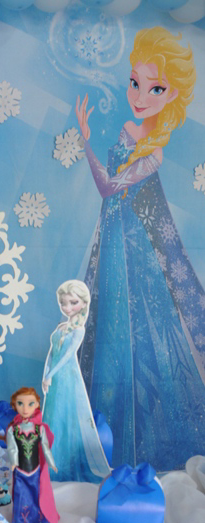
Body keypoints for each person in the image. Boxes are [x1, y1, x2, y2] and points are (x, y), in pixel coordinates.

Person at [76, 26, 205, 471]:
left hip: (132, 246)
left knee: (137, 332)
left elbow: (108, 188)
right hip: (112, 239)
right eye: (135, 82)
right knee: (108, 328)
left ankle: (135, 440)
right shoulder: (130, 130)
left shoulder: (154, 152)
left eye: (155, 88)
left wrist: (85, 140)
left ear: (172, 95)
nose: (139, 95)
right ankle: (103, 434)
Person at [42, 280, 110, 483]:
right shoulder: (61, 327)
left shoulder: (78, 330)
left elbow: (66, 356)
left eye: (73, 303)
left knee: (65, 417)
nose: (67, 308)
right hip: (55, 378)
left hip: (67, 379)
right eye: (63, 303)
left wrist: (51, 374)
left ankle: (61, 465)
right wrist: (46, 374)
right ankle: (48, 461)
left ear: (83, 304)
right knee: (53, 416)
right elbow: (52, 354)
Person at [6, 386, 59, 523]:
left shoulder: (39, 429)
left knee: (36, 497)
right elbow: (12, 448)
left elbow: (45, 447)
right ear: (14, 405)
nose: (25, 408)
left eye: (30, 404)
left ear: (37, 404)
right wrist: (13, 463)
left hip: (35, 471)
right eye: (20, 403)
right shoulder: (13, 430)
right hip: (21, 472)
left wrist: (51, 463)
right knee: (21, 498)